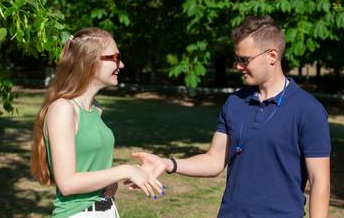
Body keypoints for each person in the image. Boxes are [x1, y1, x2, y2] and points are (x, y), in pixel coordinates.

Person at [130, 15, 331, 217]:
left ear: (272, 55)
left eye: (245, 60)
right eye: (237, 59)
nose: (238, 66)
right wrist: (168, 163)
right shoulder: (235, 102)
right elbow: (214, 161)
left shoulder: (308, 110)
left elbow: (319, 181)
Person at [31, 27, 165, 218]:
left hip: (107, 210)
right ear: (90, 63)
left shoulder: (96, 108)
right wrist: (124, 171)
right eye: (115, 58)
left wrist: (108, 181)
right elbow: (67, 184)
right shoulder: (63, 109)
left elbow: (89, 167)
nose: (122, 65)